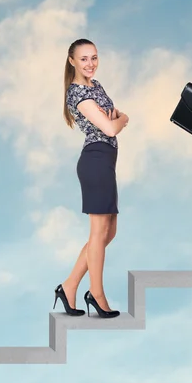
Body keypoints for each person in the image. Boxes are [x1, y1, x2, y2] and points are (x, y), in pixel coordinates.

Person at [53, 38, 129, 318]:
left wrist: (116, 119)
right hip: (95, 160)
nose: (90, 64)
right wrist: (123, 119)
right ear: (71, 60)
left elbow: (112, 119)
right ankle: (96, 294)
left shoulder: (95, 86)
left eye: (94, 57)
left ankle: (69, 285)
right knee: (98, 234)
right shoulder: (77, 94)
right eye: (84, 59)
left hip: (106, 162)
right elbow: (110, 126)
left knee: (109, 232)